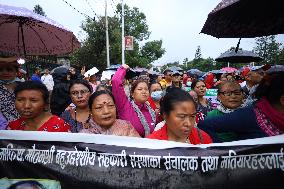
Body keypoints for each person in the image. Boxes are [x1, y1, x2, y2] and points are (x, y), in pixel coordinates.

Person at [198, 71, 284, 142]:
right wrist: (223, 149)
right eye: (227, 93)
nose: (233, 96)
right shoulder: (213, 115)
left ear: (243, 95)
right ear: (219, 96)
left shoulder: (247, 110)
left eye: (237, 93)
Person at [147, 88, 212, 144]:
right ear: (165, 116)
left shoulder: (203, 138)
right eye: (182, 117)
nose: (188, 123)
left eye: (192, 116)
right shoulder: (151, 144)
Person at [112, 64, 156, 137]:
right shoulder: (124, 106)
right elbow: (115, 81)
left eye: (146, 89)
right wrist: (123, 68)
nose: (144, 91)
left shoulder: (151, 110)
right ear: (132, 93)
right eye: (140, 89)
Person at [0, 57, 20, 123]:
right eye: (0, 70)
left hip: (23, 125)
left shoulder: (23, 86)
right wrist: (5, 60)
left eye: (9, 70)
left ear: (16, 72)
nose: (4, 72)